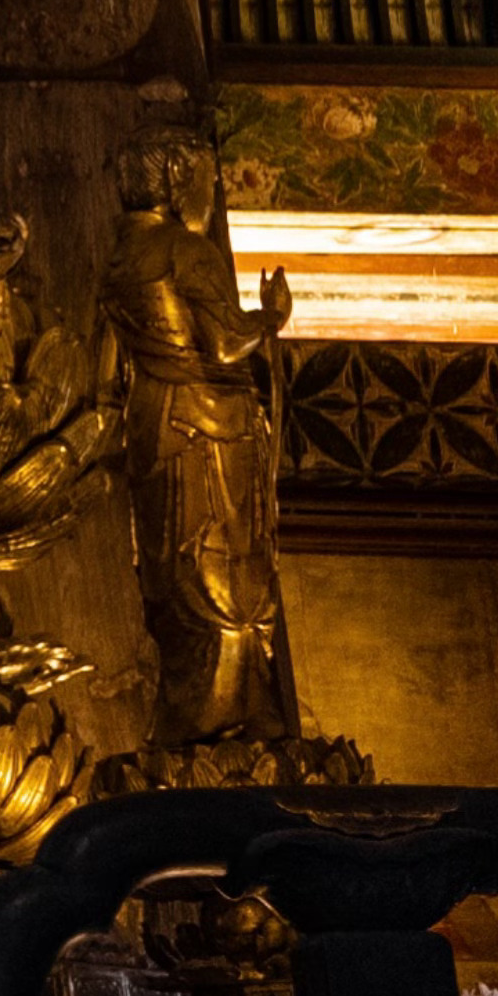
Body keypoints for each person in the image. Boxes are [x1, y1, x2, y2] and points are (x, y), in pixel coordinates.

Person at [102, 132, 297, 750]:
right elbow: (226, 343)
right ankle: (230, 715)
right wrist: (271, 317)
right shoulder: (187, 250)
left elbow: (106, 370)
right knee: (227, 570)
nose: (209, 197)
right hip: (211, 425)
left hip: (153, 423)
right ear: (177, 179)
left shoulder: (119, 260)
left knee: (174, 571)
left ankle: (185, 714)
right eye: (206, 182)